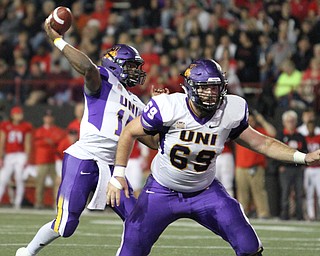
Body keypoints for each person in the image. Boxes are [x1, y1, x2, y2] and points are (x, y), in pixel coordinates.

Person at [107, 59, 320, 256]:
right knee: (131, 251)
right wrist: (118, 175)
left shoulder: (230, 109)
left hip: (205, 192)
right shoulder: (169, 106)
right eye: (205, 87)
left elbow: (262, 143)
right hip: (161, 191)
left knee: (249, 246)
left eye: (215, 87)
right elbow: (129, 132)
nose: (211, 93)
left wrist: (303, 157)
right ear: (190, 87)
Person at [15, 15, 159, 256]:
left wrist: (159, 110)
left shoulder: (137, 102)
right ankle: (27, 252)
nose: (136, 72)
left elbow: (153, 142)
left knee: (137, 221)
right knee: (66, 225)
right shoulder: (102, 79)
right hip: (85, 157)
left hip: (114, 167)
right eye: (132, 66)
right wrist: (58, 40)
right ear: (116, 64)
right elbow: (87, 68)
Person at [234, 110, 276, 219]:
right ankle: (243, 214)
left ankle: (263, 213)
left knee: (259, 192)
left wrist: (262, 120)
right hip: (241, 166)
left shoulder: (259, 131)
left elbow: (272, 133)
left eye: (253, 120)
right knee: (242, 193)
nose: (251, 122)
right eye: (249, 119)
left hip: (257, 166)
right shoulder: (239, 130)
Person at [276, 110, 307, 220]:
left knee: (299, 192)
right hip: (286, 168)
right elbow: (276, 151)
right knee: (285, 192)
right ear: (284, 122)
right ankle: (284, 214)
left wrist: (304, 164)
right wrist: (280, 165)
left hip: (298, 168)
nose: (290, 123)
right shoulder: (280, 135)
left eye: (292, 121)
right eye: (288, 121)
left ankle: (299, 215)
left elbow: (305, 151)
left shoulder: (300, 136)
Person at [0, 106, 32, 209]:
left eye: (20, 114)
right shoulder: (6, 125)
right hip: (9, 155)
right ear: (12, 115)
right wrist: (1, 157)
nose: (19, 116)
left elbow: (27, 143)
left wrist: (27, 158)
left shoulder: (25, 126)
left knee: (19, 178)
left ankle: (17, 203)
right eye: (17, 114)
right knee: (2, 178)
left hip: (20, 155)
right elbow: (2, 141)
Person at [33, 109, 65, 209]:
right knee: (40, 183)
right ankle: (38, 203)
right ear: (44, 118)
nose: (48, 119)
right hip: (42, 160)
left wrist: (46, 141)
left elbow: (59, 142)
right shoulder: (39, 131)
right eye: (47, 117)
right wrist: (49, 142)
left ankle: (56, 204)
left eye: (50, 117)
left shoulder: (57, 130)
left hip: (54, 161)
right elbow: (37, 143)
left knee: (57, 183)